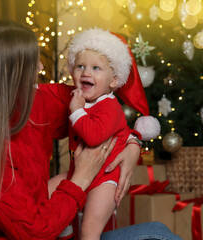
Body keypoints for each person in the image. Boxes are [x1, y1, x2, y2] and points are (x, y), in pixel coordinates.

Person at [0, 20, 182, 240]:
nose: (41, 67)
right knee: (157, 236)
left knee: (158, 231)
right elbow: (35, 233)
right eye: (33, 62)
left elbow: (101, 106)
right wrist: (81, 179)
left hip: (58, 225)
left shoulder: (35, 102)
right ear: (8, 77)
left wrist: (132, 144)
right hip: (42, 233)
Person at [45, 29, 160, 239]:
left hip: (104, 179)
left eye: (96, 68)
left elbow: (94, 137)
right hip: (77, 174)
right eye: (80, 66)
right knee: (44, 195)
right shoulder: (77, 96)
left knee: (90, 230)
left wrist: (76, 110)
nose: (86, 73)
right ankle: (65, 228)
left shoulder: (109, 107)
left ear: (114, 80)